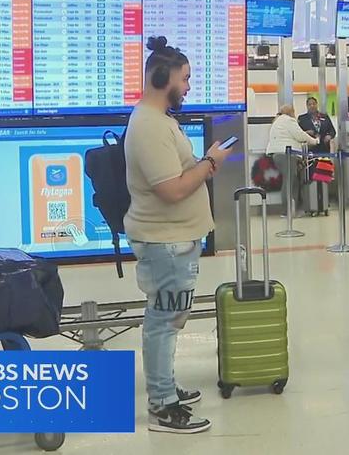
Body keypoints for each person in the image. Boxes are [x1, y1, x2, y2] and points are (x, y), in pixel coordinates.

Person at [124, 36, 232, 434]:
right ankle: (162, 406)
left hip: (175, 239)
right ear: (162, 76)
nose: (188, 86)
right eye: (184, 78)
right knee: (163, 322)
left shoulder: (160, 120)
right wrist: (209, 163)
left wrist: (204, 165)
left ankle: (165, 388)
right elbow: (169, 190)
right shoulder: (150, 125)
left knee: (169, 318)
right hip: (165, 241)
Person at [266, 104, 320, 217]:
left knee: (291, 181)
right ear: (291, 112)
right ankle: (287, 211)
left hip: (278, 154)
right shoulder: (288, 120)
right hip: (287, 154)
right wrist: (315, 141)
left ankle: (291, 210)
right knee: (289, 182)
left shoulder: (278, 121)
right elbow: (299, 135)